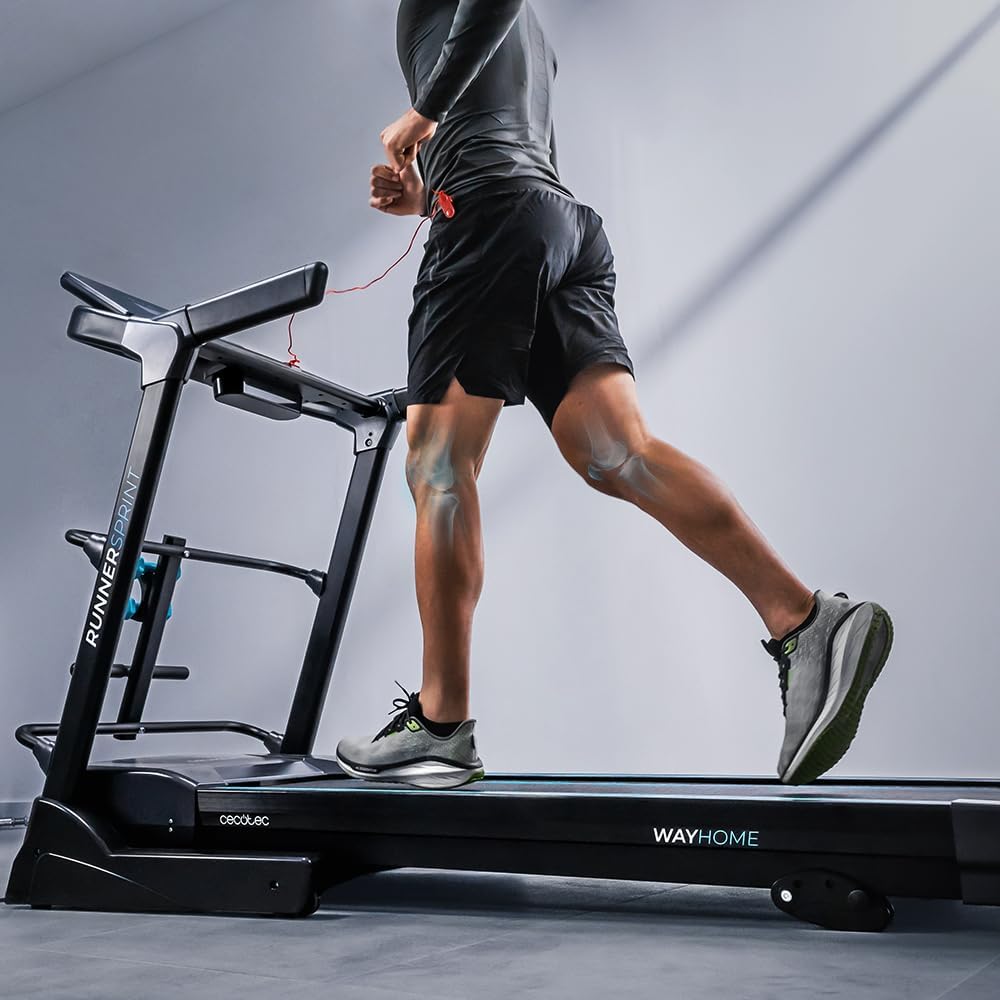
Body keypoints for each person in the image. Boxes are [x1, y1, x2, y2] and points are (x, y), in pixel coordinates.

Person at [335, 0, 893, 789]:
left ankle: (439, 725)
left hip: (494, 219)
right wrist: (424, 198)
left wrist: (422, 113)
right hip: (557, 223)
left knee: (437, 466)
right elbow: (511, 144)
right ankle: (805, 619)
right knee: (617, 453)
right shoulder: (532, 39)